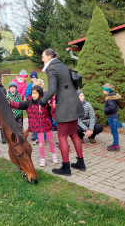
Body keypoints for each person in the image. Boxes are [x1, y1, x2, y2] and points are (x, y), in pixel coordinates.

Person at [40, 48, 85, 176]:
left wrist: (42, 102)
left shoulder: (51, 68)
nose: (42, 59)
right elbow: (65, 86)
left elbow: (52, 89)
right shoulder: (62, 65)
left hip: (65, 106)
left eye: (43, 56)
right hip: (74, 102)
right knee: (74, 134)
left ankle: (66, 168)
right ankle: (80, 163)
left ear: (49, 56)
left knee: (62, 136)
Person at [9, 85, 58, 167]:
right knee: (41, 143)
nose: (34, 95)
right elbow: (18, 105)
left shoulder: (44, 103)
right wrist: (9, 103)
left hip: (47, 125)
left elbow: (51, 111)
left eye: (36, 93)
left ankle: (53, 154)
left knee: (51, 140)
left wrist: (53, 106)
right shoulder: (29, 103)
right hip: (38, 127)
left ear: (40, 94)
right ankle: (43, 158)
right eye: (33, 93)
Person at [103, 83, 122, 151]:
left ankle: (116, 146)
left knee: (114, 131)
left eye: (103, 90)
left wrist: (105, 110)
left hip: (111, 117)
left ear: (107, 90)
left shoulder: (109, 99)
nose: (103, 91)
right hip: (114, 116)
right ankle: (115, 143)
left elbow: (112, 107)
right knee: (114, 131)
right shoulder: (113, 97)